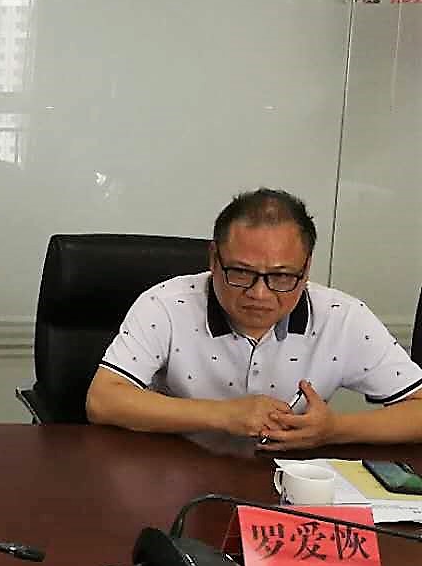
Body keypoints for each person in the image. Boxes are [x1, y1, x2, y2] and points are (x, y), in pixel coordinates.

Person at [86, 188, 422, 453]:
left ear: (306, 268)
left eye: (282, 276)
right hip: (174, 469)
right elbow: (103, 400)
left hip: (286, 482)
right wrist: (224, 415)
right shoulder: (165, 304)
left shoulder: (344, 317)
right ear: (214, 259)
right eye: (241, 272)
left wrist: (335, 430)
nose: (259, 294)